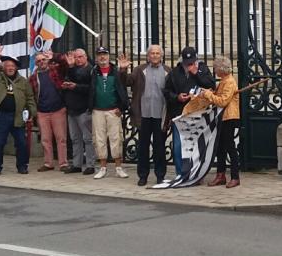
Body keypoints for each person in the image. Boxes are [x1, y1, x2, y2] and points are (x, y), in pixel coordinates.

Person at [163, 46, 216, 180]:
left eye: (191, 62)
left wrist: (196, 73)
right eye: (187, 63)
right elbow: (166, 91)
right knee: (179, 146)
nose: (189, 65)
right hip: (180, 114)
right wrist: (177, 97)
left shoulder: (203, 69)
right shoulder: (175, 72)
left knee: (197, 145)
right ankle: (181, 174)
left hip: (198, 114)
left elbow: (211, 85)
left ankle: (196, 174)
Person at [123, 44, 170, 186]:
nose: (155, 55)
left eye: (157, 53)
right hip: (143, 115)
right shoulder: (140, 70)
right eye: (152, 53)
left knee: (159, 147)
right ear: (148, 56)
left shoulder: (168, 71)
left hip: (160, 115)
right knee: (143, 147)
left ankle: (160, 175)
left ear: (161, 55)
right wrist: (123, 69)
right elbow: (126, 81)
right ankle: (142, 175)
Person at [0, 46, 36, 176]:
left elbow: (30, 98)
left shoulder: (23, 82)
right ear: (3, 67)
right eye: (8, 65)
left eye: (13, 65)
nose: (10, 68)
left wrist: (31, 113)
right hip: (1, 116)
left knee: (22, 143)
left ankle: (22, 166)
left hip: (17, 116)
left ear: (16, 68)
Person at [90, 47, 130, 179]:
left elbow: (123, 87)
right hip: (98, 110)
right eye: (100, 55)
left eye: (104, 54)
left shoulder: (116, 72)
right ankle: (103, 167)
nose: (102, 57)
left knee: (116, 138)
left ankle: (118, 167)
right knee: (99, 139)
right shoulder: (93, 72)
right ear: (96, 57)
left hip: (113, 110)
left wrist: (121, 107)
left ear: (108, 56)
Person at [202, 56, 241, 188]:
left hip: (228, 117)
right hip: (222, 117)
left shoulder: (229, 82)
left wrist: (209, 95)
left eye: (215, 67)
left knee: (230, 146)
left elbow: (223, 101)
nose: (214, 70)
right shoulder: (224, 80)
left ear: (221, 68)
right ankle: (221, 174)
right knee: (220, 147)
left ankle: (235, 176)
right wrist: (212, 93)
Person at [29, 51, 69, 171]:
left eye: (43, 60)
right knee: (45, 139)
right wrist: (32, 112)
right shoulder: (33, 77)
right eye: (39, 61)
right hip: (42, 111)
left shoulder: (55, 70)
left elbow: (65, 63)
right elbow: (31, 95)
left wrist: (54, 56)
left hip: (58, 109)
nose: (41, 62)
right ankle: (48, 163)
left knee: (61, 138)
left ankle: (63, 163)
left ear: (47, 60)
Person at [59, 47, 95, 175]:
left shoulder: (90, 70)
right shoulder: (72, 69)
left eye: (80, 57)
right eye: (76, 57)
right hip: (72, 109)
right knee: (75, 139)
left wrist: (76, 86)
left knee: (88, 139)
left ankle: (90, 164)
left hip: (84, 109)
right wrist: (66, 86)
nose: (78, 59)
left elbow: (90, 88)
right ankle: (77, 164)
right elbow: (70, 80)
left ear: (86, 57)